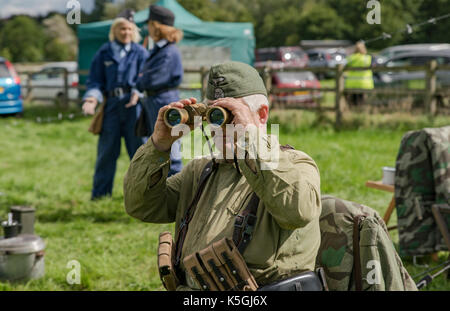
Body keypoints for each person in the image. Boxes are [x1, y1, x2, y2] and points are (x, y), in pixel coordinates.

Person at [124, 61, 322, 291]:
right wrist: (158, 146)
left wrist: (250, 138)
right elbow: (141, 206)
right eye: (213, 115)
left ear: (262, 114)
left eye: (230, 115)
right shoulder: (201, 172)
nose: (219, 127)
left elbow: (297, 211)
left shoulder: (295, 164)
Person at [82, 10, 149, 200]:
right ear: (114, 30)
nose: (125, 32)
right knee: (106, 153)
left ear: (134, 30)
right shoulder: (104, 52)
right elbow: (94, 81)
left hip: (134, 109)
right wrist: (91, 99)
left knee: (138, 154)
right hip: (111, 107)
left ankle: (142, 196)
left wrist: (138, 92)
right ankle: (101, 196)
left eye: (129, 28)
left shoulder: (141, 53)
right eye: (121, 28)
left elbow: (146, 79)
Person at [135, 5, 184, 177]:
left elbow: (150, 80)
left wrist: (140, 79)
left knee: (171, 152)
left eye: (149, 24)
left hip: (163, 101)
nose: (147, 28)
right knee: (158, 148)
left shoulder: (168, 52)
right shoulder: (160, 50)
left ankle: (177, 193)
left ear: (156, 26)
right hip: (155, 101)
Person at [344, 41, 374, 106]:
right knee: (361, 101)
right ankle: (360, 113)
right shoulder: (368, 58)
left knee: (352, 101)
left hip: (352, 84)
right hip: (365, 83)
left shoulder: (351, 58)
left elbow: (343, 68)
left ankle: (352, 112)